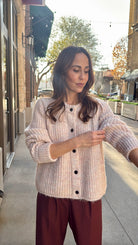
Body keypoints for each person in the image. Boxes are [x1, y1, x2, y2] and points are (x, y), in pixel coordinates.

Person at [25, 46, 138, 245]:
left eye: (86, 71)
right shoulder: (44, 107)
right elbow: (37, 151)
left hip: (89, 195)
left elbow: (118, 132)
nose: (82, 77)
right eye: (76, 70)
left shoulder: (98, 107)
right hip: (51, 196)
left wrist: (135, 155)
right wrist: (78, 141)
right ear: (62, 71)